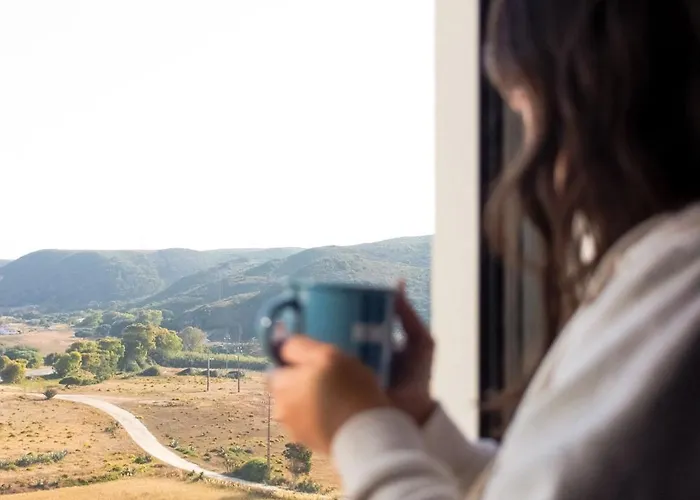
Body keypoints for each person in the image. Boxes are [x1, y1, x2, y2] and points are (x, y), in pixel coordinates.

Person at [268, 0, 700, 498]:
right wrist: (418, 422)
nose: (528, 154)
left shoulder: (679, 279)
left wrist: (358, 430)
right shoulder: (663, 272)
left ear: (600, 100)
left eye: (525, 109)